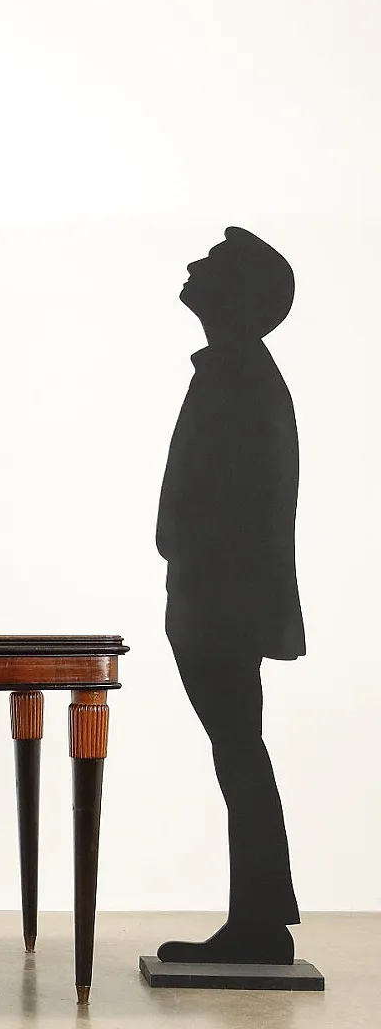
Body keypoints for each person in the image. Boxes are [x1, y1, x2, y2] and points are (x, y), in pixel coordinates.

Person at [155, 226, 304, 965]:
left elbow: (244, 505)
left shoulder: (238, 376)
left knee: (238, 752)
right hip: (216, 597)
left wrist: (191, 562)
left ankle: (260, 922)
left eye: (211, 263)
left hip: (221, 603)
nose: (192, 266)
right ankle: (261, 917)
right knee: (239, 751)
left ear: (237, 296)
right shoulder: (236, 371)